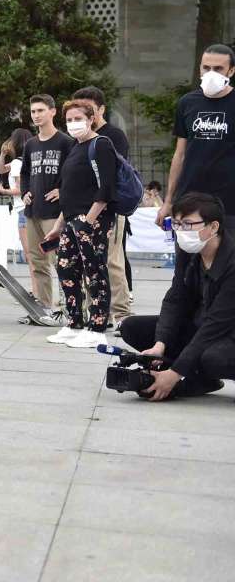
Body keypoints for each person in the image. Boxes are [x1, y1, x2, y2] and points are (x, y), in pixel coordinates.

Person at [119, 193, 235, 400]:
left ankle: (198, 370)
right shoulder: (188, 250)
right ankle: (202, 378)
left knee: (214, 358)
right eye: (177, 224)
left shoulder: (231, 262)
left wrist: (174, 374)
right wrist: (160, 344)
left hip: (226, 332)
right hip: (203, 326)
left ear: (213, 227)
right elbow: (176, 298)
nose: (181, 231)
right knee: (131, 327)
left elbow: (216, 324)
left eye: (188, 224)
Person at [42, 99, 118, 349]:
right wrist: (59, 225)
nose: (74, 123)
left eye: (79, 118)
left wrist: (90, 219)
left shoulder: (101, 145)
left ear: (92, 119)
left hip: (92, 220)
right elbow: (68, 190)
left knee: (94, 271)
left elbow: (106, 188)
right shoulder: (75, 147)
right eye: (70, 119)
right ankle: (73, 322)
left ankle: (97, 326)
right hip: (71, 220)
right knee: (66, 269)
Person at [157, 45, 235, 236]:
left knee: (226, 262)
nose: (211, 73)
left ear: (231, 71)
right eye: (206, 68)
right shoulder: (187, 102)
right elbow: (180, 154)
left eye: (218, 69)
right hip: (189, 198)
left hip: (229, 202)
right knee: (186, 261)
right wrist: (168, 201)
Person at [74, 85, 132, 324]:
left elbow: (109, 176)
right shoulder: (77, 139)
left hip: (108, 208)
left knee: (111, 261)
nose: (83, 116)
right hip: (82, 208)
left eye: (88, 110)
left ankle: (121, 314)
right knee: (88, 261)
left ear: (101, 110)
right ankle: (98, 311)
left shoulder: (113, 136)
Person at [19, 95, 75, 308]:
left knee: (62, 260)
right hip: (32, 211)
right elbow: (25, 172)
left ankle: (70, 306)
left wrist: (62, 190)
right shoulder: (31, 144)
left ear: (52, 111)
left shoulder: (65, 142)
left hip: (55, 213)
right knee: (37, 261)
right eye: (33, 111)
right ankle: (43, 306)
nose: (36, 115)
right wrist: (24, 192)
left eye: (40, 110)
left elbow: (74, 172)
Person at [0, 127, 33, 265]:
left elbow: (19, 189)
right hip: (27, 207)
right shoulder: (23, 161)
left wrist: (3, 190)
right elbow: (1, 169)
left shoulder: (17, 163)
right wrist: (2, 155)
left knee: (29, 253)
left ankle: (36, 286)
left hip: (22, 208)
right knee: (34, 253)